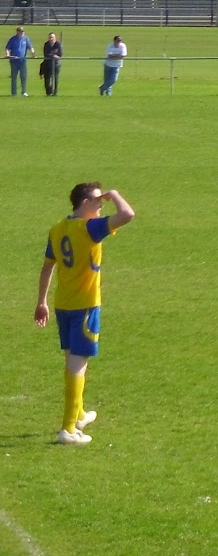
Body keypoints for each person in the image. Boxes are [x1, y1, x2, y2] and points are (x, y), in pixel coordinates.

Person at [34, 182, 137, 446]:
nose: (102, 203)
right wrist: (115, 195)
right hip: (85, 306)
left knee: (73, 361)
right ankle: (68, 430)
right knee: (77, 365)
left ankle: (78, 414)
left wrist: (41, 301)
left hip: (62, 305)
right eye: (98, 200)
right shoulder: (89, 228)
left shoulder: (57, 229)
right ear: (84, 203)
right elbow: (128, 214)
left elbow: (48, 267)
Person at [8, 25, 36, 96]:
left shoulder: (26, 39)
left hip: (22, 61)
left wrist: (33, 54)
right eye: (20, 31)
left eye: (22, 31)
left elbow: (30, 47)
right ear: (17, 32)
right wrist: (8, 55)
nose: (22, 33)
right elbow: (7, 48)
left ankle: (24, 91)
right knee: (14, 77)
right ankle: (14, 92)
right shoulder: (12, 39)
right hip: (14, 61)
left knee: (23, 76)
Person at [42, 32, 63, 96]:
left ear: (55, 38)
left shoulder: (58, 44)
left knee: (55, 78)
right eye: (50, 37)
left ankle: (55, 92)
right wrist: (53, 56)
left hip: (56, 64)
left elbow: (60, 54)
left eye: (52, 37)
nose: (51, 39)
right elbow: (46, 54)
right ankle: (48, 92)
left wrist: (54, 55)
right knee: (47, 78)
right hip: (47, 64)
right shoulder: (46, 44)